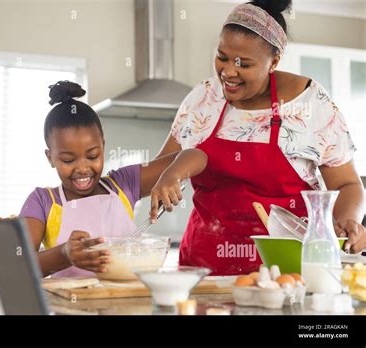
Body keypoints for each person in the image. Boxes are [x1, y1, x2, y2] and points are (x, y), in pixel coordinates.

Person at [151, 0, 365, 275]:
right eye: (222, 57)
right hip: (203, 273)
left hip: (288, 273)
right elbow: (160, 171)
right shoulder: (203, 98)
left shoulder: (311, 104)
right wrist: (98, 186)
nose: (228, 71)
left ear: (274, 61)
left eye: (244, 64)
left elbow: (348, 184)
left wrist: (347, 220)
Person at [18, 81, 199, 278]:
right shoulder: (42, 201)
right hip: (71, 307)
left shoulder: (124, 183)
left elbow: (197, 155)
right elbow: (17, 264)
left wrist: (172, 175)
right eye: (68, 160)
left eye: (93, 156)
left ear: (103, 146)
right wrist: (64, 254)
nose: (83, 168)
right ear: (50, 157)